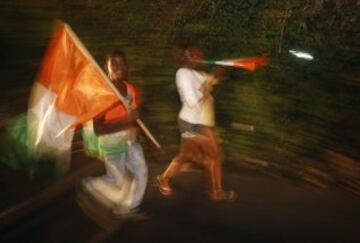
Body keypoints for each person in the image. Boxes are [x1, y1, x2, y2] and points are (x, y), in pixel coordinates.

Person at [156, 43, 236, 201]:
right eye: (195, 55)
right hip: (190, 123)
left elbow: (212, 84)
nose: (200, 58)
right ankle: (216, 192)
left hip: (199, 122)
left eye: (200, 54)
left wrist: (219, 72)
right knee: (212, 155)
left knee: (188, 156)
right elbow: (193, 101)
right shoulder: (182, 73)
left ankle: (164, 178)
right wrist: (208, 83)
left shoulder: (196, 73)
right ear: (186, 57)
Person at [82, 50, 148, 216]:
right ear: (107, 67)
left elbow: (133, 115)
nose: (119, 67)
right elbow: (98, 128)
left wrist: (134, 125)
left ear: (127, 66)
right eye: (114, 64)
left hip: (130, 140)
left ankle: (128, 207)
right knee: (117, 179)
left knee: (142, 172)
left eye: (122, 63)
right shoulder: (102, 94)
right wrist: (126, 122)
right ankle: (91, 185)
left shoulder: (130, 89)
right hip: (111, 142)